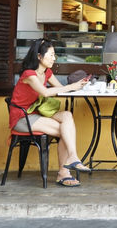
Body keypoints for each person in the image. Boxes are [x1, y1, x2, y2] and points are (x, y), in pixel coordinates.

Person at [10, 38, 92, 187]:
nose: (54, 59)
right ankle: (63, 173)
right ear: (39, 57)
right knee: (64, 131)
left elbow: (60, 89)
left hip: (38, 112)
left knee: (67, 116)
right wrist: (70, 86)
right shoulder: (29, 74)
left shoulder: (47, 72)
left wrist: (79, 85)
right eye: (51, 55)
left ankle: (72, 157)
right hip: (22, 118)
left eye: (55, 55)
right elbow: (46, 92)